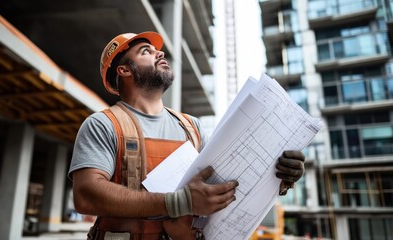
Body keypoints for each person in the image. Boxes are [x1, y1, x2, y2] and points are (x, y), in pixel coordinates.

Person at [69, 31, 306, 240]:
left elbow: (220, 185)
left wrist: (276, 178)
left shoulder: (191, 127)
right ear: (124, 70)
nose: (159, 53)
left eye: (158, 50)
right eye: (146, 51)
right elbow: (86, 195)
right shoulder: (104, 125)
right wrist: (179, 202)